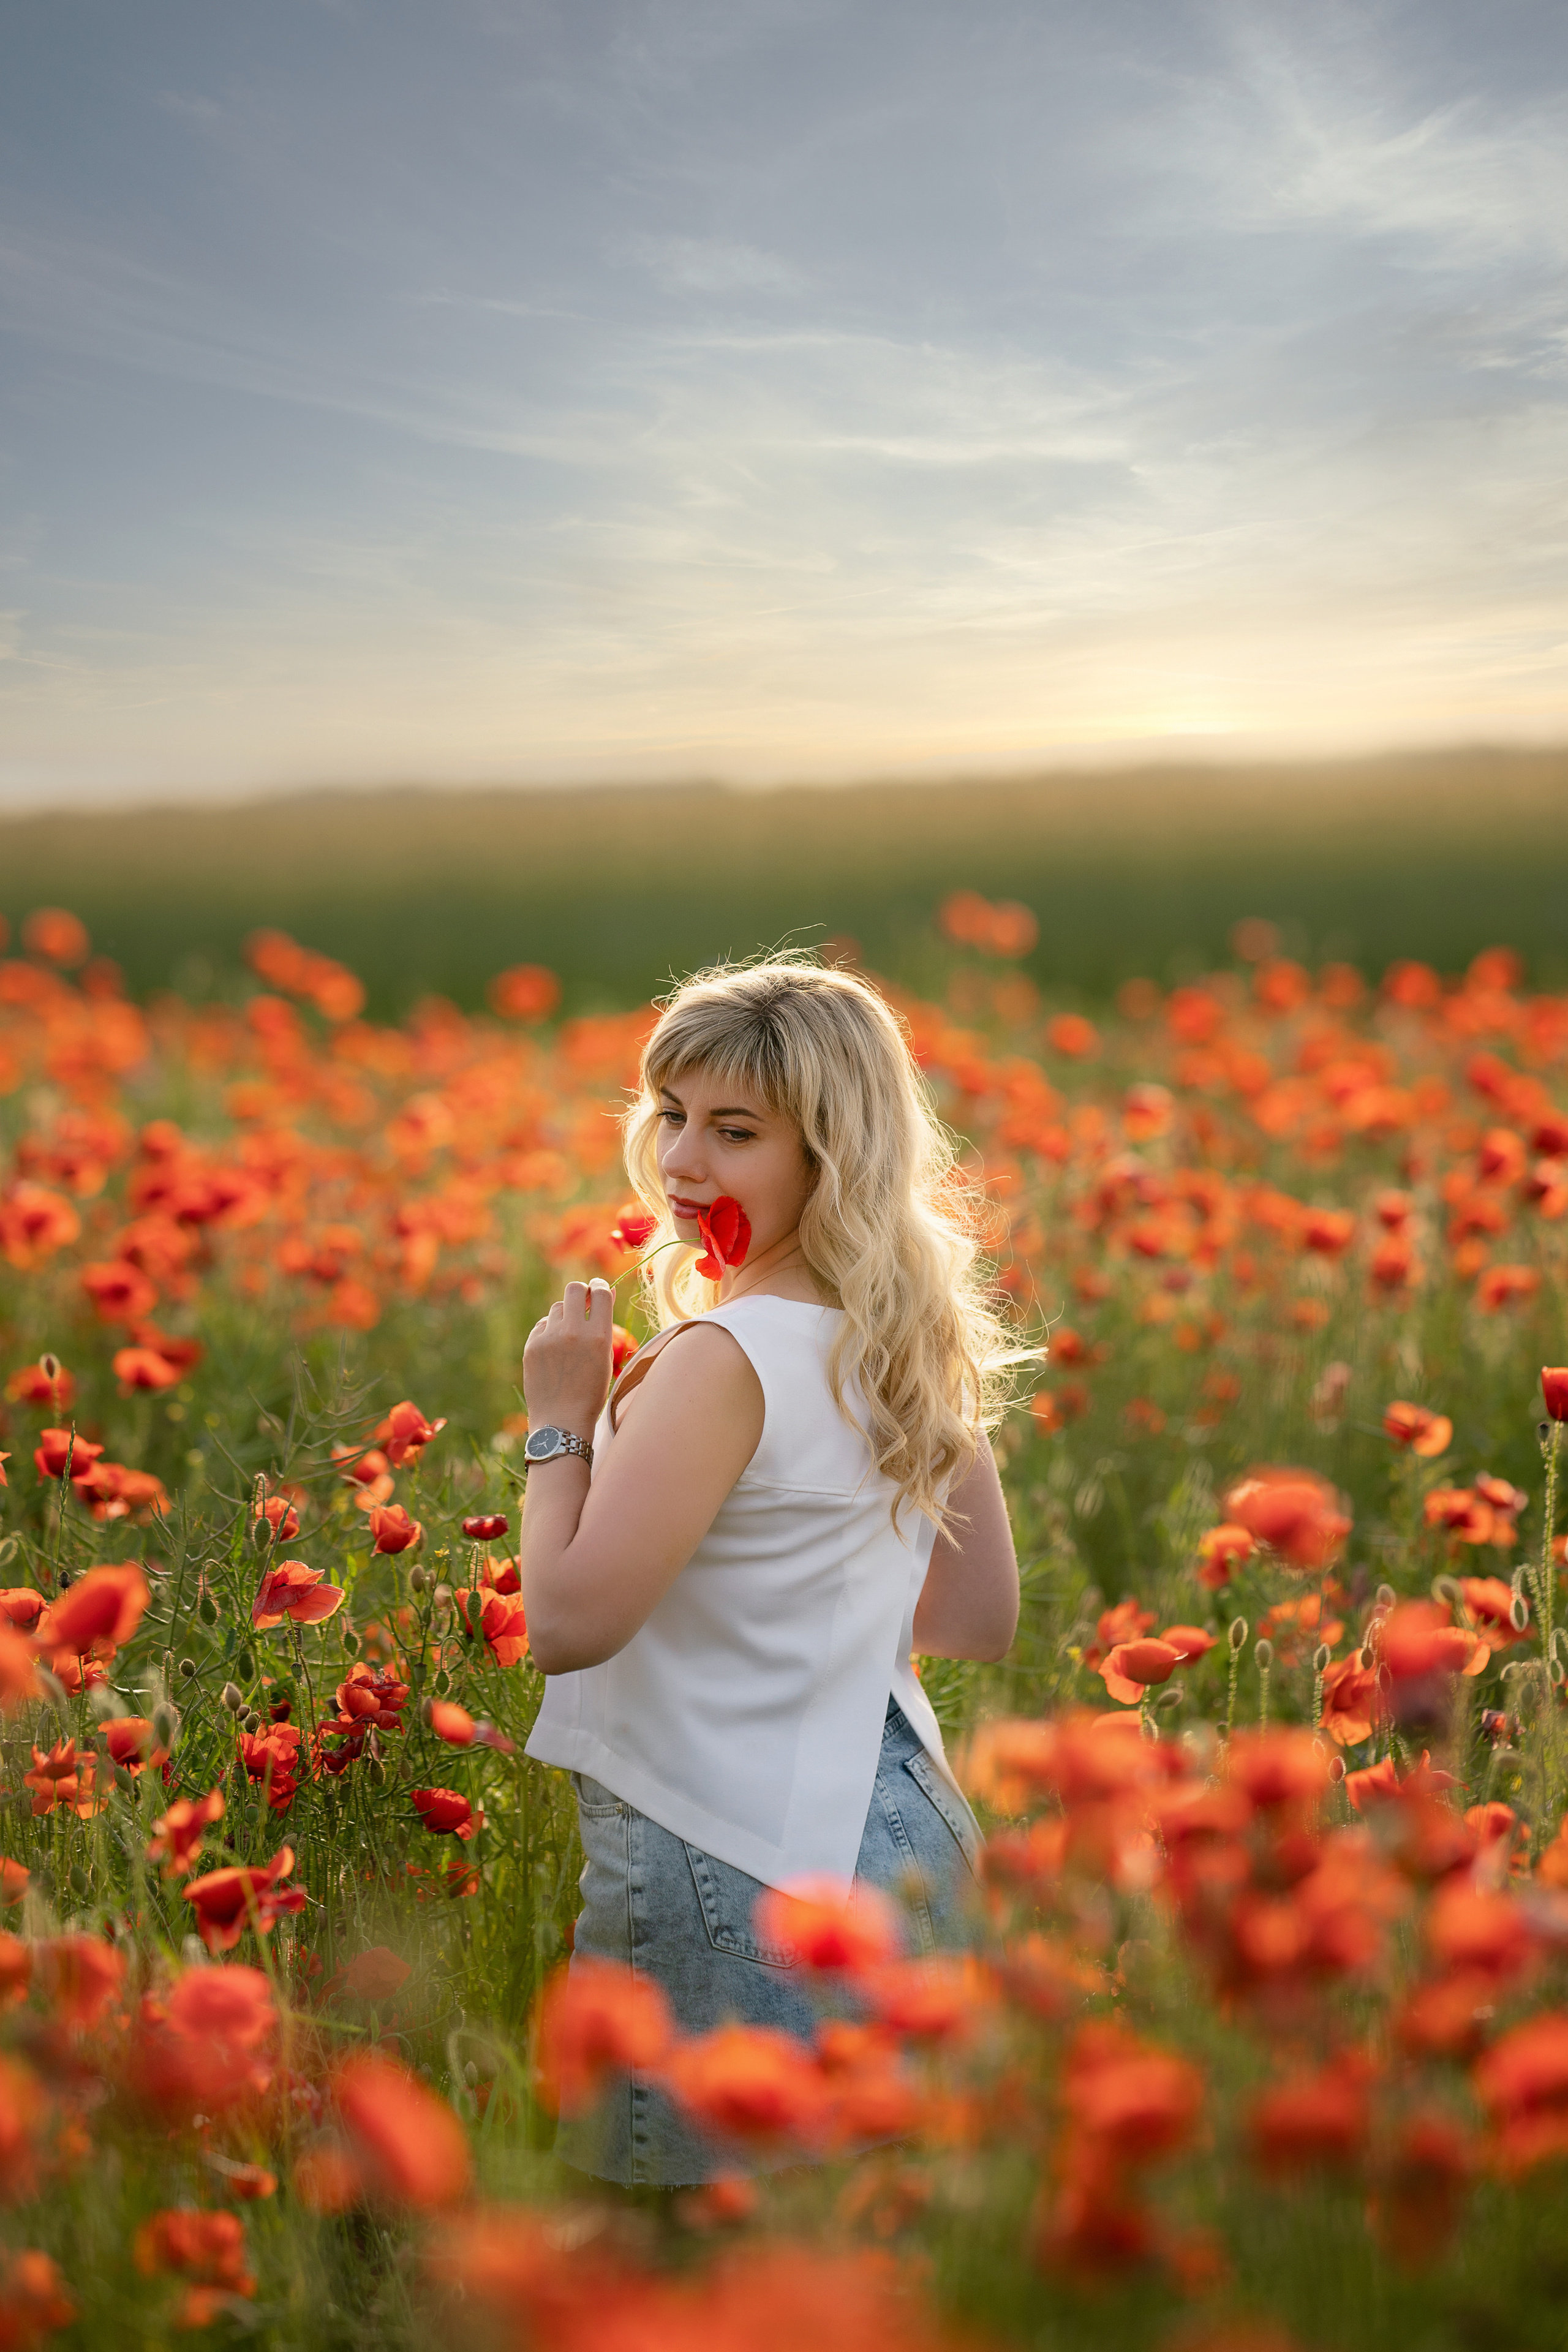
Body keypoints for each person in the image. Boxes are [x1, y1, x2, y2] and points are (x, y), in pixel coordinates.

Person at [521, 957, 1022, 2185]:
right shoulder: (903, 1337)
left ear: (828, 1153)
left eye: (733, 1131)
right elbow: (973, 1616)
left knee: (700, 2274)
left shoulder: (723, 1358)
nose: (682, 1162)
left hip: (728, 1853)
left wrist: (560, 1423)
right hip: (899, 1831)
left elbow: (568, 1623)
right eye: (670, 1114)